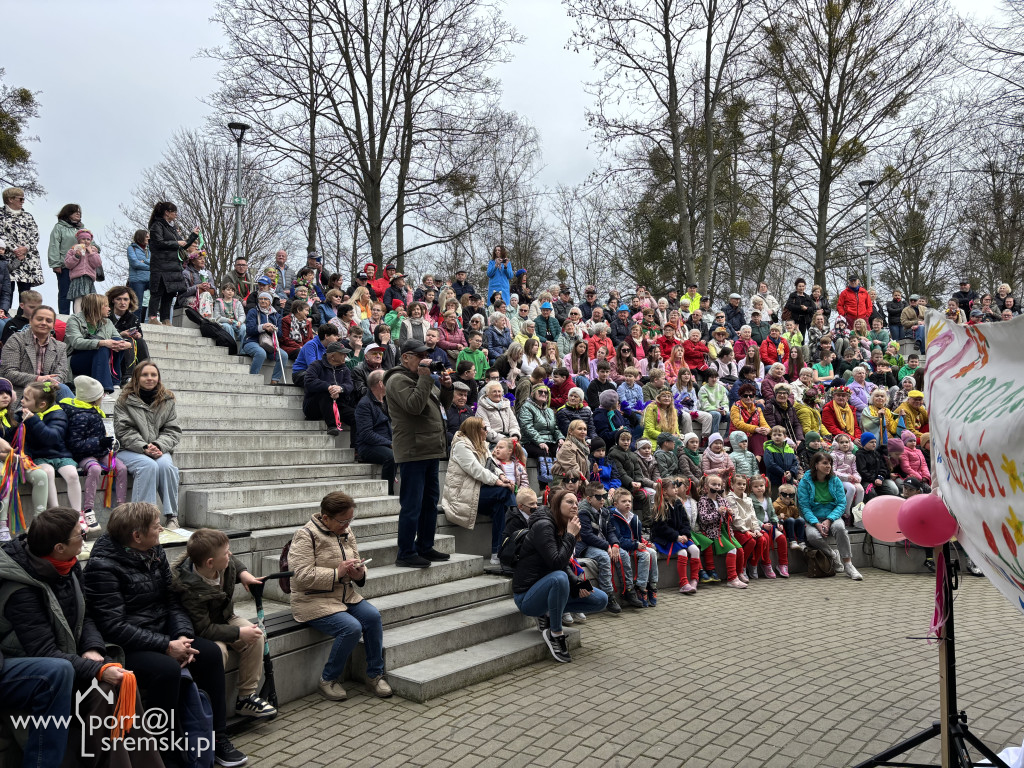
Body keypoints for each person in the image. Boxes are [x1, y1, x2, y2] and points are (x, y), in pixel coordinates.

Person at [83, 501, 248, 765]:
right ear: (137, 536)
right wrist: (166, 646)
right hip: (127, 645)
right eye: (155, 526)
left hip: (162, 633)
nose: (161, 529)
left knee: (209, 653)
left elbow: (173, 600)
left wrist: (181, 636)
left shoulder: (155, 551)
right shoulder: (102, 567)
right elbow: (113, 626)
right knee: (166, 670)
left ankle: (217, 738)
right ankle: (166, 751)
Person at [0, 506, 165, 767]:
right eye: (80, 534)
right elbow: (43, 653)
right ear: (59, 548)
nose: (86, 536)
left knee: (122, 682)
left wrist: (93, 648)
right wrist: (97, 670)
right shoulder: (21, 589)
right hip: (38, 667)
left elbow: (85, 615)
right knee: (106, 688)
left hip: (68, 657)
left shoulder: (68, 564)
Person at [289, 491, 393, 700]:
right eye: (343, 521)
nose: (347, 525)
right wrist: (337, 573)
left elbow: (356, 561)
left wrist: (359, 573)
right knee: (351, 628)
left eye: (350, 520)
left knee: (373, 617)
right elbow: (301, 575)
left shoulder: (346, 531)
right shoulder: (305, 535)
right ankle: (328, 680)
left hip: (344, 595)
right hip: (311, 600)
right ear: (325, 518)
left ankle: (374, 675)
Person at [171, 527, 277, 720]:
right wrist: (238, 633)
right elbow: (204, 628)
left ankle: (246, 697)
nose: (230, 554)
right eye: (226, 553)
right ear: (210, 563)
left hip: (225, 617)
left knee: (256, 636)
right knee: (219, 652)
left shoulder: (222, 562)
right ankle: (210, 704)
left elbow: (233, 562)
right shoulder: (188, 587)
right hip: (204, 630)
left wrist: (244, 573)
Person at [512, 487, 607, 662]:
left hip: (549, 586)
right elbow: (556, 563)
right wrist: (570, 535)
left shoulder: (562, 525)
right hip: (527, 597)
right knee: (559, 578)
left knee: (601, 599)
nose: (575, 506)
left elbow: (564, 563)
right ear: (557, 504)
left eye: (576, 503)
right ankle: (555, 633)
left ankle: (547, 613)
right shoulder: (544, 526)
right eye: (569, 502)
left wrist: (577, 582)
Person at [385, 339, 454, 568]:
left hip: (430, 448)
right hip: (413, 450)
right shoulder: (397, 380)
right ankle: (405, 552)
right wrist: (425, 377)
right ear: (405, 357)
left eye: (427, 355)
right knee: (412, 504)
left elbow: (442, 406)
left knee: (430, 503)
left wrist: (447, 388)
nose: (426, 360)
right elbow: (414, 406)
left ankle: (425, 545)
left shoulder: (421, 378)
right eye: (420, 356)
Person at [114, 361, 182, 529]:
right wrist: (144, 447)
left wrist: (158, 445)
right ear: (137, 377)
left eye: (153, 375)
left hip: (159, 448)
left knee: (166, 466)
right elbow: (123, 431)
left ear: (158, 378)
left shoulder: (167, 399)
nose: (150, 378)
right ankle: (144, 519)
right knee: (148, 465)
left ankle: (172, 517)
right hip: (130, 449)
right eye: (145, 375)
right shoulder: (124, 400)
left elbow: (172, 430)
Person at [441, 416, 515, 564]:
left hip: (480, 491)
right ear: (474, 430)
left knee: (500, 506)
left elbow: (492, 465)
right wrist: (499, 482)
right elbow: (476, 470)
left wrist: (502, 476)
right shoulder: (461, 446)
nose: (487, 431)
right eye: (484, 428)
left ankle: (497, 553)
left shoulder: (482, 444)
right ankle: (519, 515)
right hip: (462, 496)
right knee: (504, 492)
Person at [798, 452, 863, 580]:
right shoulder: (805, 482)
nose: (828, 466)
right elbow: (804, 507)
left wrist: (829, 520)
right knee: (812, 536)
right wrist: (816, 523)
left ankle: (848, 565)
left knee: (840, 529)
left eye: (830, 463)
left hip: (832, 516)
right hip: (813, 518)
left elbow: (841, 504)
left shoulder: (835, 480)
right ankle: (833, 554)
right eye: (825, 463)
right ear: (816, 465)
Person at [0, 304, 74, 401]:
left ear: (53, 325)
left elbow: (61, 373)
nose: (44, 323)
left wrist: (48, 382)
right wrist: (38, 379)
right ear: (31, 321)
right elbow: (8, 372)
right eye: (39, 319)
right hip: (21, 391)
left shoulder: (60, 346)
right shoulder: (16, 340)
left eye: (48, 321)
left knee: (63, 389)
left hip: (48, 390)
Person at [64, 293, 133, 394]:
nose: (109, 309)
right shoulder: (74, 320)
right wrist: (102, 342)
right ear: (96, 307)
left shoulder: (107, 322)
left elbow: (118, 337)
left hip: (100, 359)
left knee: (117, 343)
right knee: (103, 347)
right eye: (106, 306)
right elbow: (76, 342)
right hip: (76, 359)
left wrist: (126, 344)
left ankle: (115, 381)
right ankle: (104, 390)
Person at [147, 201, 199, 326]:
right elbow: (158, 243)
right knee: (157, 292)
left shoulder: (171, 228)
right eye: (174, 212)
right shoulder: (156, 226)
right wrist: (176, 243)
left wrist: (193, 235)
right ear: (167, 212)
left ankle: (165, 319)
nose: (176, 214)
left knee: (169, 293)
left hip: (173, 266)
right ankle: (152, 317)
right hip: (160, 265)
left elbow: (184, 244)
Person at [354, 368, 396, 495]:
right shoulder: (364, 404)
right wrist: (389, 443)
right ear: (381, 384)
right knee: (392, 457)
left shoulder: (387, 401)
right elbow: (366, 434)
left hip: (386, 443)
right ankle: (388, 494)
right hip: (368, 447)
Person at [303, 341, 355, 435]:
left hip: (338, 405)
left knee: (357, 416)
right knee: (325, 392)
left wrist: (341, 389)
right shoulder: (316, 365)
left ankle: (358, 444)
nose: (345, 356)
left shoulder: (345, 369)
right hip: (315, 407)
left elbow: (350, 385)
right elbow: (309, 381)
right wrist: (329, 387)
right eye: (342, 354)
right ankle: (332, 426)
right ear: (332, 356)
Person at [0, 187, 44, 298]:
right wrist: (15, 249)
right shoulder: (1, 215)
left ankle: (23, 310)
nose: (23, 201)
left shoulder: (28, 216)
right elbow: (1, 234)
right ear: (10, 199)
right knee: (6, 291)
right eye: (20, 199)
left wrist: (26, 248)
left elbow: (35, 234)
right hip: (8, 258)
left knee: (25, 294)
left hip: (27, 259)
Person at [47, 203, 84, 315]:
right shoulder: (59, 227)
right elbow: (54, 245)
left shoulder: (82, 228)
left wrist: (96, 248)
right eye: (75, 211)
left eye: (79, 212)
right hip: (65, 265)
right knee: (65, 292)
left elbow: (90, 242)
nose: (78, 213)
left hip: (80, 266)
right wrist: (55, 263)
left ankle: (78, 317)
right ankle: (64, 316)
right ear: (67, 213)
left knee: (79, 294)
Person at [244, 291, 286, 385]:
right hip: (252, 341)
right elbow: (249, 330)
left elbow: (280, 334)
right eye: (261, 299)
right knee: (260, 353)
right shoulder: (253, 311)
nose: (263, 301)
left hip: (269, 344)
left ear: (270, 301)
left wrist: (273, 329)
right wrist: (263, 327)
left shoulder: (276, 315)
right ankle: (252, 379)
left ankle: (274, 380)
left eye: (266, 299)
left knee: (283, 355)